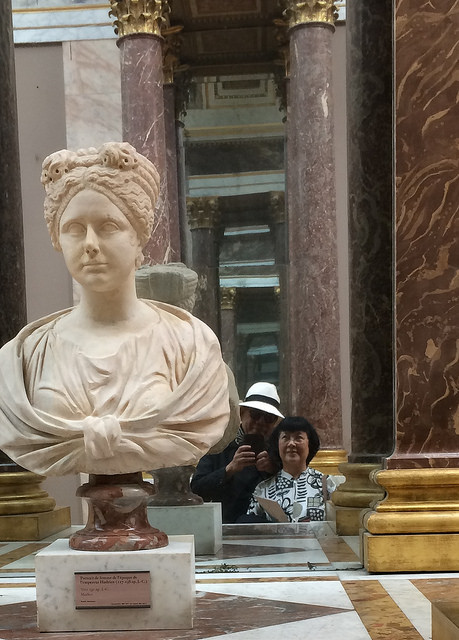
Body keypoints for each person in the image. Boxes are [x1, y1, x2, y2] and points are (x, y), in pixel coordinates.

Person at [0, 142, 230, 477]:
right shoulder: (23, 356)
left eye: (108, 227)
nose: (90, 244)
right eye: (74, 229)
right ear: (57, 240)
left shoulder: (192, 345)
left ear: (139, 236)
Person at [191, 382, 284, 523]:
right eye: (255, 415)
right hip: (225, 526)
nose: (260, 422)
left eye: (268, 418)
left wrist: (273, 470)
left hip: (267, 528)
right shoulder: (220, 445)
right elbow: (197, 490)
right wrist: (229, 469)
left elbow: (293, 486)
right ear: (242, 413)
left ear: (274, 423)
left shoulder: (280, 450)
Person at [246, 416, 336, 522]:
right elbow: (251, 528)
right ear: (277, 444)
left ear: (309, 444)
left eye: (298, 438)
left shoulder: (328, 484)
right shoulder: (263, 489)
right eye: (286, 437)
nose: (291, 443)